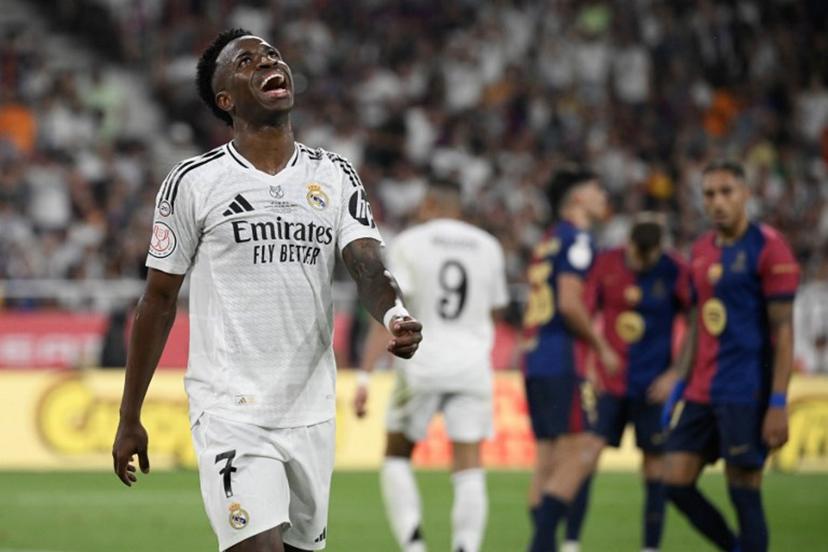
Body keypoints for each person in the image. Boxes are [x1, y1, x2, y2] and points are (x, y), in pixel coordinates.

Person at [111, 28, 423, 552]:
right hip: (230, 409)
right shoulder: (193, 181)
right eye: (247, 61)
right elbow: (157, 302)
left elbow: (367, 267)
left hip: (311, 409)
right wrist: (129, 415)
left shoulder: (335, 174)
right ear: (226, 100)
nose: (267, 62)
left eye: (271, 55)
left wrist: (395, 316)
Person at [353, 177, 509, 552]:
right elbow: (497, 309)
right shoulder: (488, 246)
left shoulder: (412, 242)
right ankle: (466, 546)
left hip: (422, 364)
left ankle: (414, 543)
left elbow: (394, 310)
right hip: (472, 365)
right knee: (469, 460)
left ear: (430, 205)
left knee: (397, 452)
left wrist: (364, 374)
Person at [661, 160, 799, 552]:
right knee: (674, 481)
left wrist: (777, 402)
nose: (717, 202)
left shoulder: (769, 248)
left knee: (743, 490)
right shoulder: (701, 249)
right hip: (701, 390)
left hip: (746, 391)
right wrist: (679, 380)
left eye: (726, 192)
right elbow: (696, 320)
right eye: (709, 194)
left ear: (746, 195)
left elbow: (783, 332)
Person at [564, 214, 691, 552]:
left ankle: (650, 547)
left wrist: (676, 373)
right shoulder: (606, 263)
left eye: (650, 257)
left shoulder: (674, 268)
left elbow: (695, 323)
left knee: (654, 465)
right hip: (610, 383)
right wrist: (594, 356)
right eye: (639, 254)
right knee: (587, 456)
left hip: (653, 387)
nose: (643, 262)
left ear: (660, 249)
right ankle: (571, 543)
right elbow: (584, 312)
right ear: (630, 244)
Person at [522, 167, 618, 552]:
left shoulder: (548, 240)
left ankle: (549, 542)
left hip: (535, 358)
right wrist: (601, 347)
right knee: (581, 451)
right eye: (597, 190)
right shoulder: (578, 239)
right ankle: (543, 543)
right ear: (578, 198)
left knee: (547, 458)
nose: (603, 197)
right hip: (563, 359)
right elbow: (568, 302)